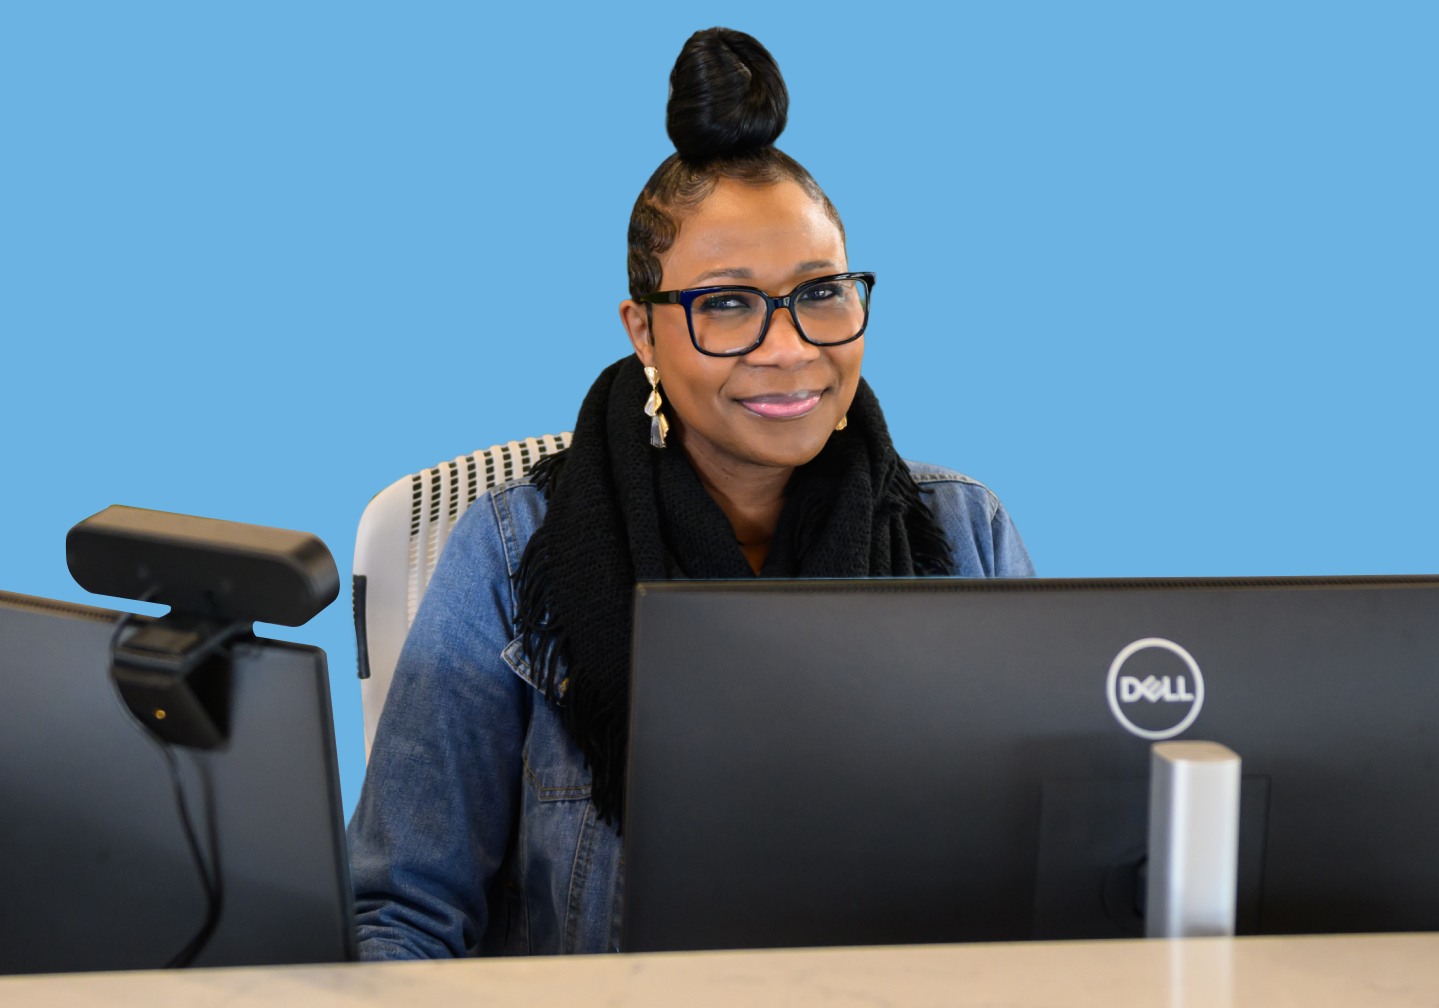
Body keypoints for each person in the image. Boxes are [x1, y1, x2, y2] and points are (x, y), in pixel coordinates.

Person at [347, 27, 1034, 959]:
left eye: (820, 292)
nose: (788, 348)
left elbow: (1037, 887)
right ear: (643, 332)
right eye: (727, 304)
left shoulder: (966, 532)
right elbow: (402, 915)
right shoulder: (511, 556)